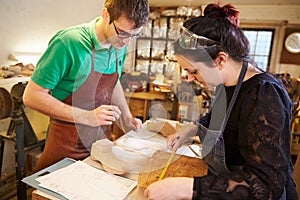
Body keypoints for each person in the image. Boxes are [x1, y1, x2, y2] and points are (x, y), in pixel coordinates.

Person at [144, 2, 298, 200]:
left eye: (193, 71)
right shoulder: (225, 85)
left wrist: (189, 188)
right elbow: (223, 121)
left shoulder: (264, 95)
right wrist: (191, 129)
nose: (190, 78)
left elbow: (265, 186)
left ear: (220, 60)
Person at [23, 0, 149, 172]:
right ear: (106, 15)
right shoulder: (68, 43)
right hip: (65, 147)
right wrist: (87, 117)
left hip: (100, 145)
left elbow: (113, 82)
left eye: (134, 36)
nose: (127, 43)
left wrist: (126, 117)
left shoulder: (118, 44)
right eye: (123, 33)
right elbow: (32, 96)